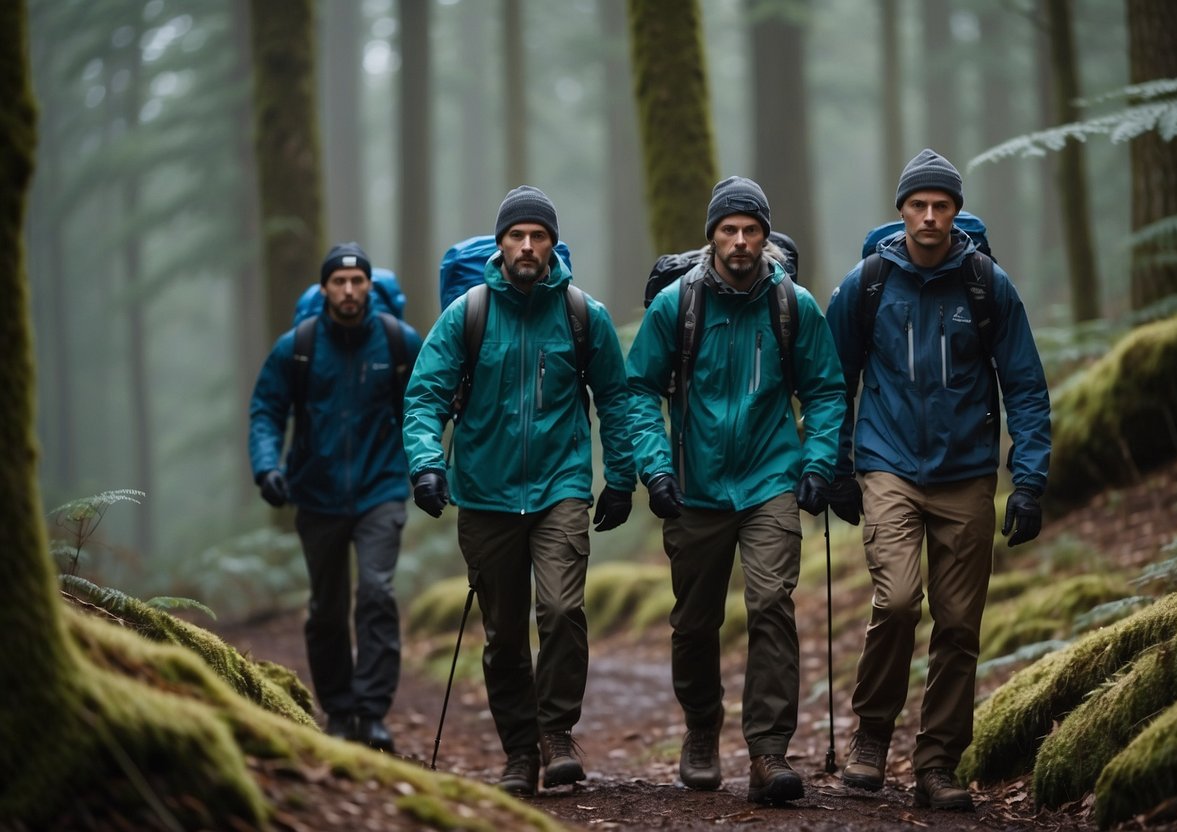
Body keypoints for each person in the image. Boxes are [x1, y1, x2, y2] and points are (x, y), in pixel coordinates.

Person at [824, 149, 1051, 811]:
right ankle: (869, 739)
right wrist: (836, 467)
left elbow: (1026, 387)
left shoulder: (985, 285)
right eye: (917, 205)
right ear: (900, 210)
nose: (928, 216)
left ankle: (937, 763)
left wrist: (1029, 479)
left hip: (966, 475)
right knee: (896, 601)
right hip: (887, 464)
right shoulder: (866, 283)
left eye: (940, 205)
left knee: (958, 625)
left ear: (954, 212)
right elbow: (832, 382)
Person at [401, 185, 635, 796]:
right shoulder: (468, 314)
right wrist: (427, 463)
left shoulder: (585, 314)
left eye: (538, 236)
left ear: (554, 244)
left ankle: (556, 732)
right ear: (501, 244)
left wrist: (622, 478)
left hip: (561, 487)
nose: (527, 246)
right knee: (503, 634)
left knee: (560, 610)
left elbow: (616, 399)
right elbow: (424, 396)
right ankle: (518, 753)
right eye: (516, 236)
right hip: (484, 494)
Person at [626, 176, 847, 804]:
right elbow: (640, 389)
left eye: (752, 229)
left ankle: (768, 752)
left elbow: (826, 390)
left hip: (771, 481)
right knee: (695, 623)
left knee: (772, 605)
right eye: (730, 230)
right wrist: (656, 467)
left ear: (765, 236)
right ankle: (701, 727)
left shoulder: (792, 304)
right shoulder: (677, 304)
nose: (742, 241)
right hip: (692, 487)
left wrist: (817, 463)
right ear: (712, 237)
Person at [248, 241, 420, 754]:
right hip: (316, 494)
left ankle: (371, 713)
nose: (349, 290)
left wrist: (426, 466)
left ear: (370, 286)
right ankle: (340, 711)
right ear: (324, 288)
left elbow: (425, 404)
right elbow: (266, 410)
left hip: (381, 491)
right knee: (326, 609)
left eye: (357, 281)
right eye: (339, 282)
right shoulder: (297, 346)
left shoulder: (397, 341)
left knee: (377, 594)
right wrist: (266, 468)